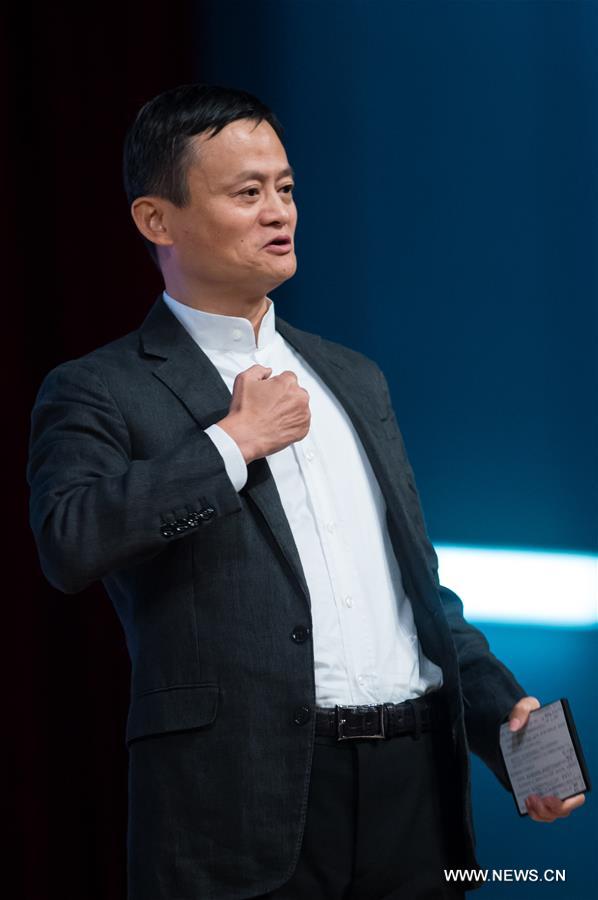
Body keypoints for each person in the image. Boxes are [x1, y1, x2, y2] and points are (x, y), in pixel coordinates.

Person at [26, 83, 584, 900]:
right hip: (242, 807)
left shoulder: (352, 377)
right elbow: (69, 542)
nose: (278, 211)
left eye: (284, 188)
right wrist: (231, 444)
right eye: (246, 192)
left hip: (413, 800)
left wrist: (503, 720)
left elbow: (416, 595)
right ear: (158, 220)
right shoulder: (99, 388)